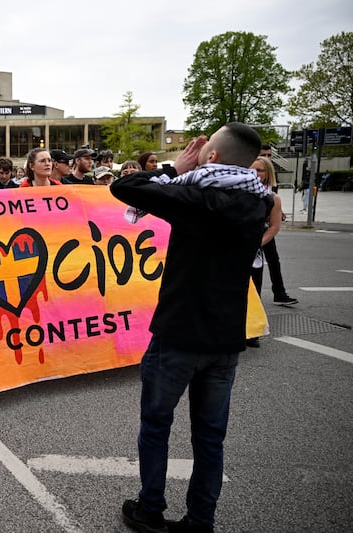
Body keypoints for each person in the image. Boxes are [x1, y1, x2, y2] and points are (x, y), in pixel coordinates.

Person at [111, 122, 273, 533]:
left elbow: (125, 188)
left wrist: (172, 168)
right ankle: (201, 520)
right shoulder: (258, 202)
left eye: (204, 150)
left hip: (179, 335)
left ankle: (150, 509)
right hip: (225, 341)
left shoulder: (197, 197)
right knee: (210, 437)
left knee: (156, 425)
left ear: (212, 156)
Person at [250, 156, 298, 307]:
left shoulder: (273, 198)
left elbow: (274, 227)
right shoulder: (237, 191)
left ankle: (278, 293)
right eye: (252, 169)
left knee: (272, 261)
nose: (255, 173)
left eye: (260, 170)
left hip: (260, 238)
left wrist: (258, 243)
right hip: (240, 243)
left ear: (268, 173)